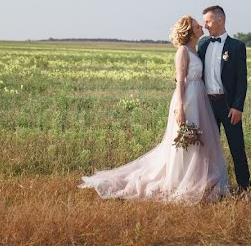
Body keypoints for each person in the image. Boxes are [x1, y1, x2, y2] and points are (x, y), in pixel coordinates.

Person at [79, 15, 229, 204]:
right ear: (190, 32)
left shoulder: (196, 49)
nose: (201, 28)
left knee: (198, 140)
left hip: (199, 98)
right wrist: (181, 108)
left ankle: (195, 176)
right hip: (188, 99)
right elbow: (180, 81)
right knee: (186, 140)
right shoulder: (182, 51)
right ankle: (179, 179)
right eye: (198, 26)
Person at [198, 4, 250, 191]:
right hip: (207, 105)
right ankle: (212, 187)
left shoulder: (237, 47)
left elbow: (242, 80)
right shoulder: (202, 44)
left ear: (219, 20)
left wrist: (238, 106)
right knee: (208, 150)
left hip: (229, 107)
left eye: (208, 21)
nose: (205, 26)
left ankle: (245, 188)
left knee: (237, 148)